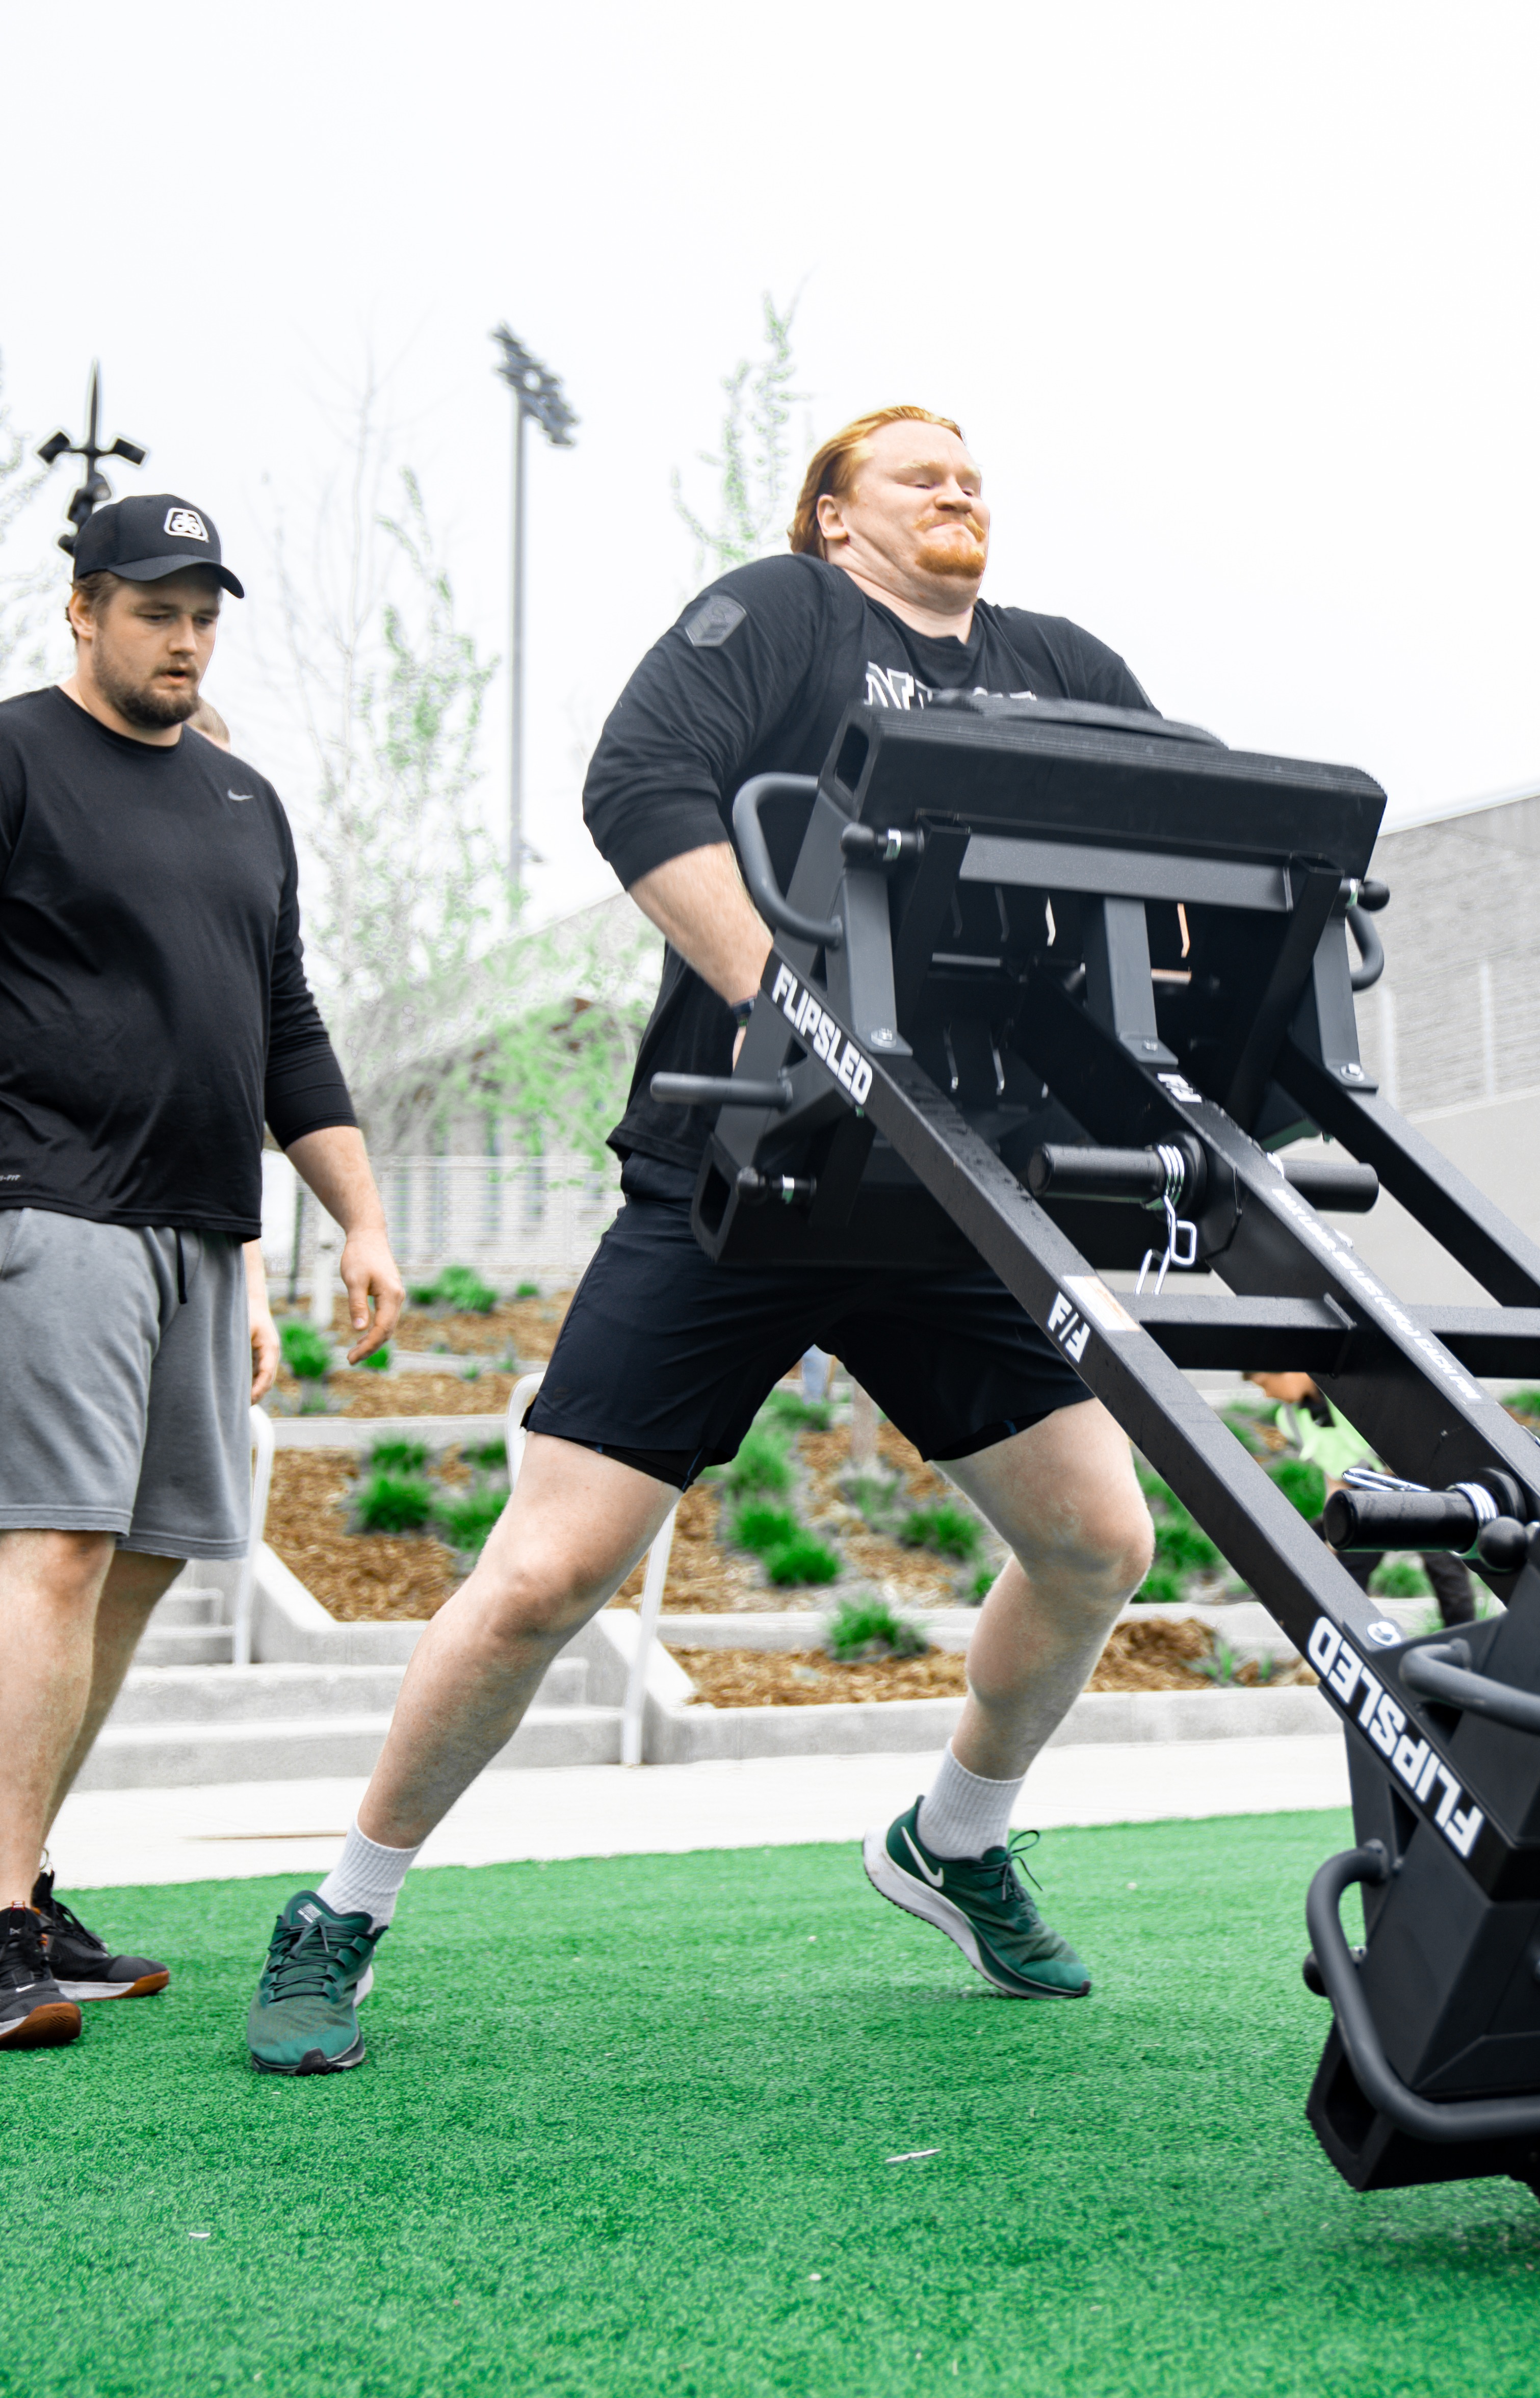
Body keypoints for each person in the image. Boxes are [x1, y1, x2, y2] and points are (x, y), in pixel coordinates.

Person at [245, 407, 1161, 2076]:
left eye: (974, 468)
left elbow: (1178, 839)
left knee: (1101, 1538)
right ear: (832, 513)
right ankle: (341, 1909)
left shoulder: (1060, 661)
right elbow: (639, 781)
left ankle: (954, 1839)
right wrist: (793, 1007)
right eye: (915, 468)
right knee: (544, 1574)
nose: (959, 483)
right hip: (749, 1168)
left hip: (951, 1193)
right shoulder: (786, 619)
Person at [0, 496, 403, 2053]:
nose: (184, 637)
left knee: (151, 1550)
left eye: (203, 612)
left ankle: (25, 1878)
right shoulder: (21, 753)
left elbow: (279, 1023)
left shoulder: (243, 798)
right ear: (86, 609)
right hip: (51, 1204)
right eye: (156, 608)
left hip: (194, 1224)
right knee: (54, 1551)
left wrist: (351, 1218)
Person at [1244, 1371, 1478, 1626]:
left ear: (1289, 1371)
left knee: (1444, 1564)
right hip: (1365, 1492)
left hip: (1412, 1479)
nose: (1267, 1394)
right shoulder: (1290, 1418)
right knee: (1330, 1556)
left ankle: (1464, 1638)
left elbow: (1408, 1441)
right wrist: (1333, 1539)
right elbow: (1335, 1476)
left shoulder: (1354, 1391)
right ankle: (1349, 1633)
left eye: (1266, 1384)